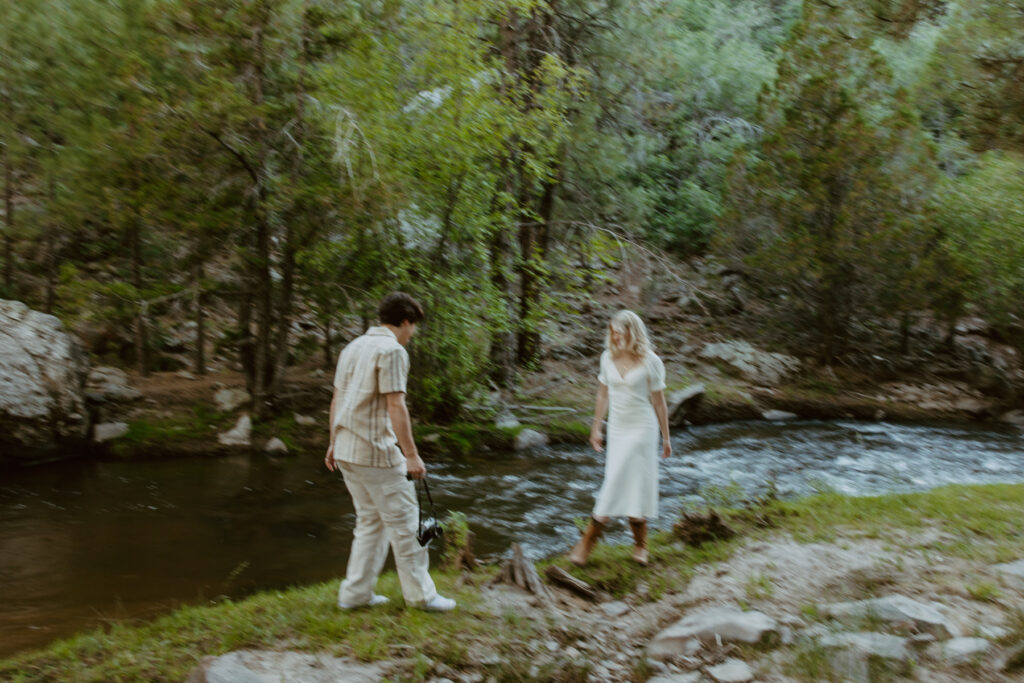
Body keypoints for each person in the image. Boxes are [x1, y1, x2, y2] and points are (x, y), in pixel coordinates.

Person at [324, 292, 456, 612]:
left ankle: (355, 595)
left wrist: (332, 442)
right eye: (414, 327)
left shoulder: (353, 347)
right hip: (375, 452)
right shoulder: (392, 351)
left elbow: (337, 399)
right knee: (407, 524)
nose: (413, 334)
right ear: (406, 321)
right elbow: (395, 404)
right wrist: (411, 455)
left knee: (370, 522)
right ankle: (422, 596)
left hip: (346, 450)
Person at [569, 309, 672, 567]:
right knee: (621, 478)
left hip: (642, 428)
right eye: (612, 333)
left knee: (624, 480)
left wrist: (667, 438)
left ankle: (588, 543)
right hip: (618, 428)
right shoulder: (607, 358)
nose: (615, 338)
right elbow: (602, 395)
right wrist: (596, 428)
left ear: (632, 332)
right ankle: (640, 544)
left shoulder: (651, 361)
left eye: (619, 333)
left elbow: (659, 403)